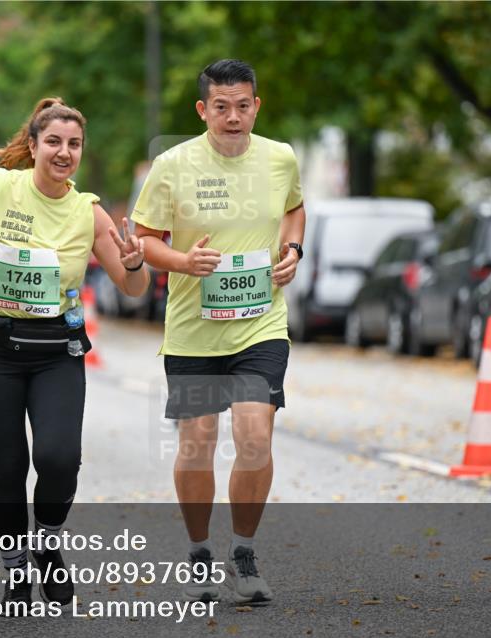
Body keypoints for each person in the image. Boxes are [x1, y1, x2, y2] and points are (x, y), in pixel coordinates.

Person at [0, 98, 149, 613]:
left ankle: (48, 541)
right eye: (54, 142)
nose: (64, 153)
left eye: (74, 144)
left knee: (59, 459)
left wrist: (134, 264)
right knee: (8, 467)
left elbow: (131, 288)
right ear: (33, 145)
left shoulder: (89, 212)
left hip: (56, 349)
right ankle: (16, 568)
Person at [132, 59, 306, 604]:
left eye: (244, 105)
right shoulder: (172, 165)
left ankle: (244, 551)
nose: (234, 117)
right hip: (193, 331)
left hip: (261, 324)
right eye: (222, 107)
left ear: (257, 105)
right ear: (203, 110)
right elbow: (143, 240)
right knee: (198, 443)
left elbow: (296, 210)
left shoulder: (280, 158)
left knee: (255, 437)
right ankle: (199, 549)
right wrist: (184, 261)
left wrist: (293, 251)